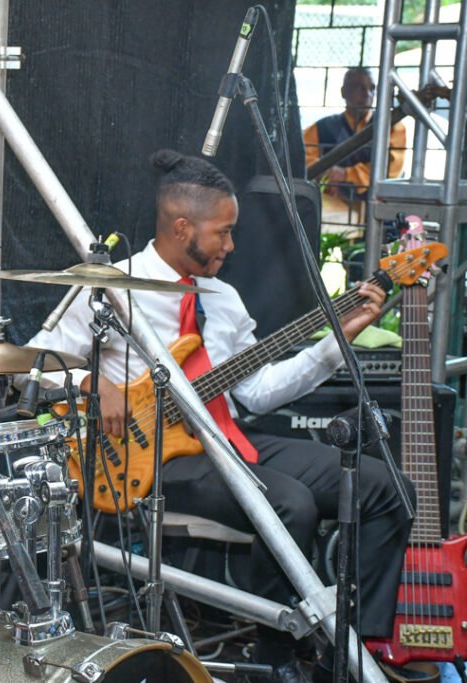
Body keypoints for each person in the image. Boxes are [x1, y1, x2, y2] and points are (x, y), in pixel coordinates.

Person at [27, 150, 414, 683]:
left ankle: (355, 652)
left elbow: (257, 393)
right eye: (223, 232)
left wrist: (336, 342)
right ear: (183, 226)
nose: (230, 246)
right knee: (290, 506)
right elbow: (33, 365)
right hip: (153, 456)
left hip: (228, 439)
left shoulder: (224, 300)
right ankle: (274, 652)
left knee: (384, 485)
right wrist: (94, 384)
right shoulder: (110, 286)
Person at [303, 67, 406, 205]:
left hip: (377, 208)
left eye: (372, 88)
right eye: (360, 88)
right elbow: (302, 160)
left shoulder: (392, 127)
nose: (367, 94)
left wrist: (345, 174)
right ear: (343, 92)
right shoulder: (321, 128)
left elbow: (391, 171)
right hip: (333, 208)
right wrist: (328, 174)